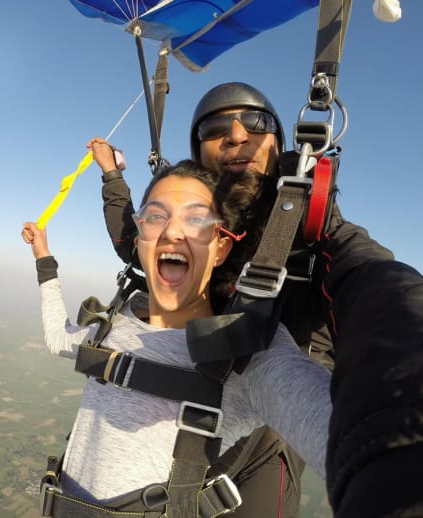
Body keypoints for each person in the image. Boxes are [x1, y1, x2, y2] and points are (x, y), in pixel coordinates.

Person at [89, 82, 423, 517]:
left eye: (255, 122)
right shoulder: (194, 224)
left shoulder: (312, 231)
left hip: (276, 421)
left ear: (278, 142)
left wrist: (399, 426)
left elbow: (373, 282)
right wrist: (113, 176)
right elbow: (132, 242)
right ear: (200, 151)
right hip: (193, 396)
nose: (236, 134)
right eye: (214, 128)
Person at [22, 160, 332, 517]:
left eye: (197, 219)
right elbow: (58, 339)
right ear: (139, 241)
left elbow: (348, 435)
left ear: (221, 248)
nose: (172, 232)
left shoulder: (245, 353)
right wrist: (44, 260)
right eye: (155, 216)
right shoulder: (113, 324)